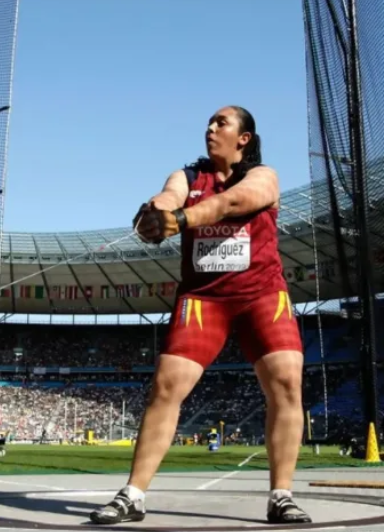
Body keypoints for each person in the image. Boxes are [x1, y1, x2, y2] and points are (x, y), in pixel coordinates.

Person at [89, 106, 310, 525]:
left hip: (261, 295)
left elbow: (234, 202)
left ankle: (281, 495)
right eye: (209, 122)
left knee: (286, 380)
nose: (211, 128)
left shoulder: (263, 176)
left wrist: (183, 219)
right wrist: (155, 215)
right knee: (166, 384)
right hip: (203, 300)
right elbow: (168, 197)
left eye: (221, 123)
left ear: (243, 138)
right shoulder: (188, 177)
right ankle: (133, 494)